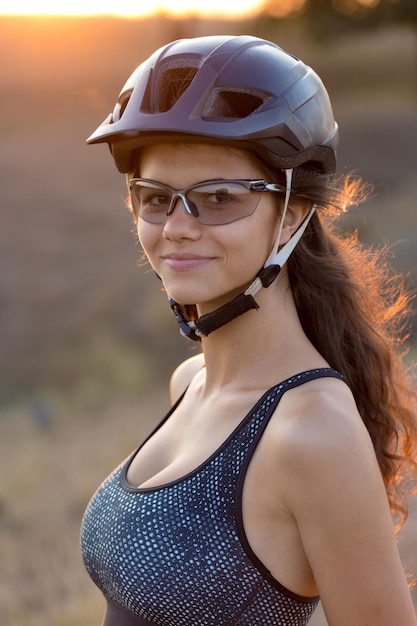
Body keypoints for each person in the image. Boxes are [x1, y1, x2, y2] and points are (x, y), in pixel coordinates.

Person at [80, 35, 417, 626]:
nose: (177, 227)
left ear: (290, 212)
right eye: (155, 198)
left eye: (217, 197)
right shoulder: (190, 382)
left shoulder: (314, 433)